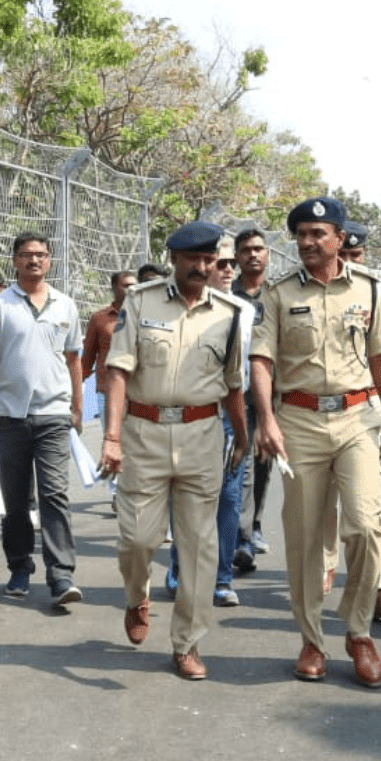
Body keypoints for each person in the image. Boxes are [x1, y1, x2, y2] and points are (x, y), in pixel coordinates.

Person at [252, 198, 381, 689]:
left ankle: (358, 631)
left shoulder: (373, 291)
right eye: (302, 234)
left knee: (365, 526)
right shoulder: (277, 295)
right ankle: (312, 639)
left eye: (319, 233)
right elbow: (261, 361)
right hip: (297, 420)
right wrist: (266, 420)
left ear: (340, 239)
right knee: (304, 538)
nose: (308, 242)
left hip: (359, 417)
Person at [99, 221, 247, 681]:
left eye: (210, 260)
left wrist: (242, 437)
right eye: (193, 260)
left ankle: (187, 643)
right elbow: (119, 371)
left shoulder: (230, 313)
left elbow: (234, 385)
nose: (202, 267)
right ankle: (136, 595)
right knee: (138, 539)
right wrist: (111, 436)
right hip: (143, 433)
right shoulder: (140, 302)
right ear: (174, 259)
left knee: (200, 546)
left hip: (202, 435)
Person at [0, 232, 84, 608]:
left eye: (40, 254)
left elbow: (73, 361)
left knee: (55, 495)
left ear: (50, 260)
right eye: (26, 255)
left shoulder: (65, 306)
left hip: (53, 415)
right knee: (16, 500)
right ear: (15, 262)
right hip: (10, 417)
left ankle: (61, 574)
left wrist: (78, 410)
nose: (34, 260)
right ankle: (20, 567)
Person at [323, 220, 381, 615]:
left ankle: (374, 588)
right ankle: (324, 565)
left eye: (355, 256)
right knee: (322, 499)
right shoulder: (308, 292)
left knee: (369, 506)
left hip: (367, 409)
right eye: (342, 254)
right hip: (313, 410)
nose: (348, 262)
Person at [166, 237, 253, 607]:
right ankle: (180, 570)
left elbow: (253, 368)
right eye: (221, 264)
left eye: (231, 263)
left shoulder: (245, 312)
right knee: (185, 497)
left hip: (231, 416)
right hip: (189, 415)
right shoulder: (178, 308)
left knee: (228, 498)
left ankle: (220, 578)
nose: (228, 269)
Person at [233, 228, 273, 572]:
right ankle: (241, 535)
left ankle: (254, 525)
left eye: (259, 249)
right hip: (236, 392)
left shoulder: (279, 296)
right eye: (246, 250)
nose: (253, 255)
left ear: (268, 255)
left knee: (263, 463)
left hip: (275, 394)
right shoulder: (225, 294)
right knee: (241, 462)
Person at [81, 270, 137, 423]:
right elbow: (87, 358)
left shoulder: (145, 317)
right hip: (108, 392)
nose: (131, 290)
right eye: (126, 286)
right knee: (112, 442)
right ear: (113, 288)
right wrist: (74, 388)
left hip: (139, 394)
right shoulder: (99, 319)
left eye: (134, 286)